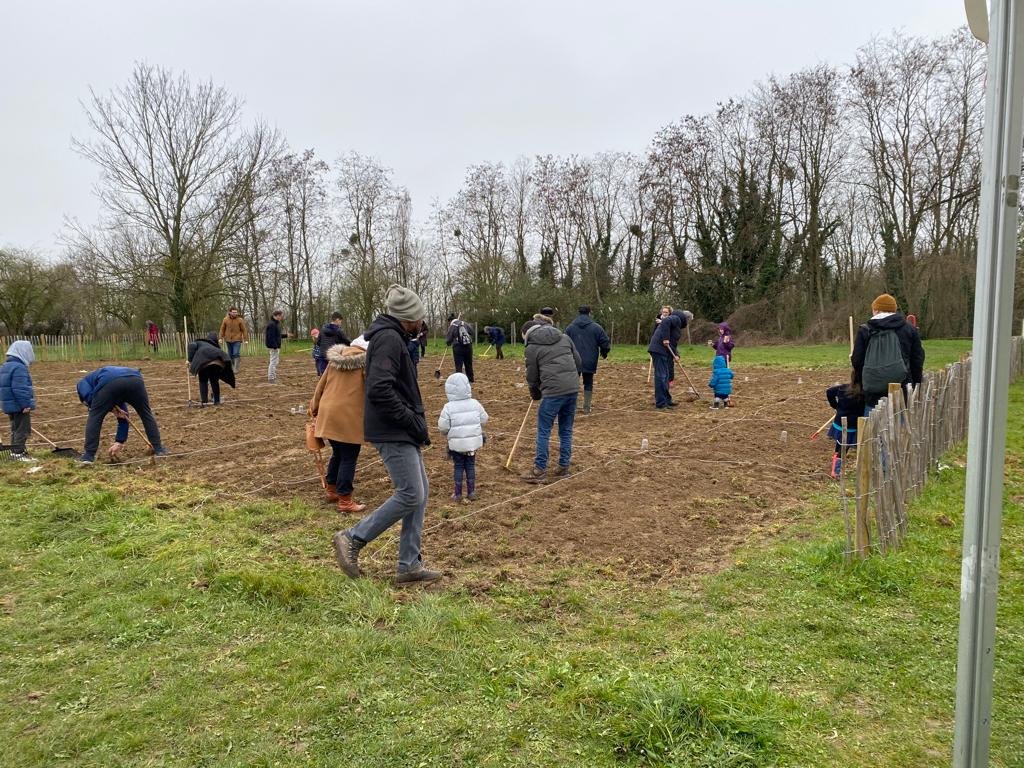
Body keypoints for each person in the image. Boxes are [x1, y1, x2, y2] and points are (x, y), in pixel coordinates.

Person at [332, 284, 440, 584]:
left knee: (420, 493)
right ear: (408, 318)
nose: (422, 322)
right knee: (411, 493)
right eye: (419, 317)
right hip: (393, 429)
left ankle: (409, 564)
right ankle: (353, 537)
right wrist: (410, 420)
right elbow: (380, 388)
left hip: (398, 428)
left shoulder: (392, 337)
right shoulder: (390, 339)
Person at [310, 336, 370, 514]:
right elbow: (371, 390)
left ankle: (331, 489)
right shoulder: (366, 364)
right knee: (349, 456)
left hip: (328, 412)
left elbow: (320, 385)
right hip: (349, 415)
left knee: (338, 452)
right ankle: (345, 500)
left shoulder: (335, 361)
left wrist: (314, 407)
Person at [520, 319, 582, 483]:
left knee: (543, 430)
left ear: (527, 333)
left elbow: (532, 375)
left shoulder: (531, 347)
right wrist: (572, 381)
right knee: (566, 429)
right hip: (572, 389)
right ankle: (564, 466)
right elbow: (578, 362)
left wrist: (535, 392)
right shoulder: (564, 337)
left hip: (553, 392)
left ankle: (539, 470)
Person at [76, 366, 166, 464]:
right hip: (135, 380)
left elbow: (91, 401)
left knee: (95, 415)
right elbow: (124, 417)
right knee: (146, 414)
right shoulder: (100, 384)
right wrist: (119, 441)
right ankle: (159, 449)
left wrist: (107, 408)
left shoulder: (82, 383)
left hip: (111, 382)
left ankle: (88, 456)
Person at [851, 293, 925, 411]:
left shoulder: (865, 330)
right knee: (900, 425)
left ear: (876, 310)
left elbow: (857, 360)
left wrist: (864, 382)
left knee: (872, 426)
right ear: (894, 310)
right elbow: (917, 360)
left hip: (873, 392)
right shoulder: (909, 329)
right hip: (902, 390)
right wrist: (915, 384)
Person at [438, 372, 489, 502]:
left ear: (448, 389)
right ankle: (471, 492)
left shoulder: (448, 407)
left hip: (456, 446)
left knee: (459, 466)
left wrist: (448, 434)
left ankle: (457, 494)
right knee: (470, 466)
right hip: (472, 444)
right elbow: (484, 419)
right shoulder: (475, 403)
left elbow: (443, 427)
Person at [564, 305, 611, 415]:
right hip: (590, 359)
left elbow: (564, 342)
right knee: (588, 382)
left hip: (573, 359)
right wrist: (604, 353)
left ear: (579, 313)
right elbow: (605, 342)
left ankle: (573, 407)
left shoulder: (570, 327)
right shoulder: (596, 327)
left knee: (573, 383)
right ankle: (586, 407)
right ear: (589, 313)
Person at [647, 306, 691, 410]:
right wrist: (665, 339)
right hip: (658, 350)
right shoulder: (676, 318)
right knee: (661, 376)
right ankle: (661, 403)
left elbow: (673, 342)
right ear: (687, 319)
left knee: (666, 376)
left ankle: (667, 400)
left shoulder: (676, 321)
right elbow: (665, 321)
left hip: (663, 351)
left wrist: (675, 354)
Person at [0, 340, 37, 462]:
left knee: (15, 428)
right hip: (19, 405)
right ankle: (18, 453)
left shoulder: (6, 366)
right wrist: (25, 405)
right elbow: (20, 389)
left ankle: (15, 451)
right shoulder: (19, 368)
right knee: (23, 429)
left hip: (9, 404)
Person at [826, 372, 865, 479]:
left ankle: (836, 468)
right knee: (843, 449)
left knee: (841, 446)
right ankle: (836, 471)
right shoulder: (864, 393)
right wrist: (836, 406)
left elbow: (829, 391)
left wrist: (835, 405)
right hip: (851, 427)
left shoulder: (843, 388)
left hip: (840, 423)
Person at [187, 332, 236, 406]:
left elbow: (192, 346)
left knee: (203, 381)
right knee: (214, 381)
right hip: (218, 363)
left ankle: (204, 402)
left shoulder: (199, 342)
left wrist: (189, 360)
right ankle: (217, 401)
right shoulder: (216, 347)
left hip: (204, 362)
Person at [316, 312, 351, 376]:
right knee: (333, 378)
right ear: (337, 320)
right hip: (333, 358)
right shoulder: (339, 331)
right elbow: (348, 342)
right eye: (340, 321)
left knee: (323, 378)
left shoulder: (322, 330)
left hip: (322, 357)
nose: (340, 323)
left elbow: (318, 343)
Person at [445, 313, 475, 383]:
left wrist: (448, 343)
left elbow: (449, 339)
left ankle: (460, 381)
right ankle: (471, 379)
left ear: (450, 321)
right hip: (468, 346)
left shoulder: (452, 326)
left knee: (459, 364)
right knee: (468, 363)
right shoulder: (464, 323)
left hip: (458, 347)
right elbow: (472, 332)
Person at [219, 307, 248, 373]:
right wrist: (220, 338)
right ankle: (232, 366)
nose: (235, 313)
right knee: (230, 354)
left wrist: (246, 339)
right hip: (228, 339)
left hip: (237, 339)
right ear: (230, 312)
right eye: (233, 312)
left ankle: (236, 368)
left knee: (236, 353)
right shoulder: (225, 319)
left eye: (236, 312)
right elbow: (222, 329)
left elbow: (244, 330)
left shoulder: (240, 320)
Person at [264, 310, 289, 383]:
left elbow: (277, 336)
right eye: (280, 316)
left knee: (275, 361)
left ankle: (273, 376)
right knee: (273, 362)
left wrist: (286, 335)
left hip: (275, 346)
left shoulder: (275, 324)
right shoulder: (272, 324)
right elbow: (271, 337)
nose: (281, 317)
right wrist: (275, 346)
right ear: (276, 316)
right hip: (273, 346)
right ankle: (271, 378)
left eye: (281, 316)